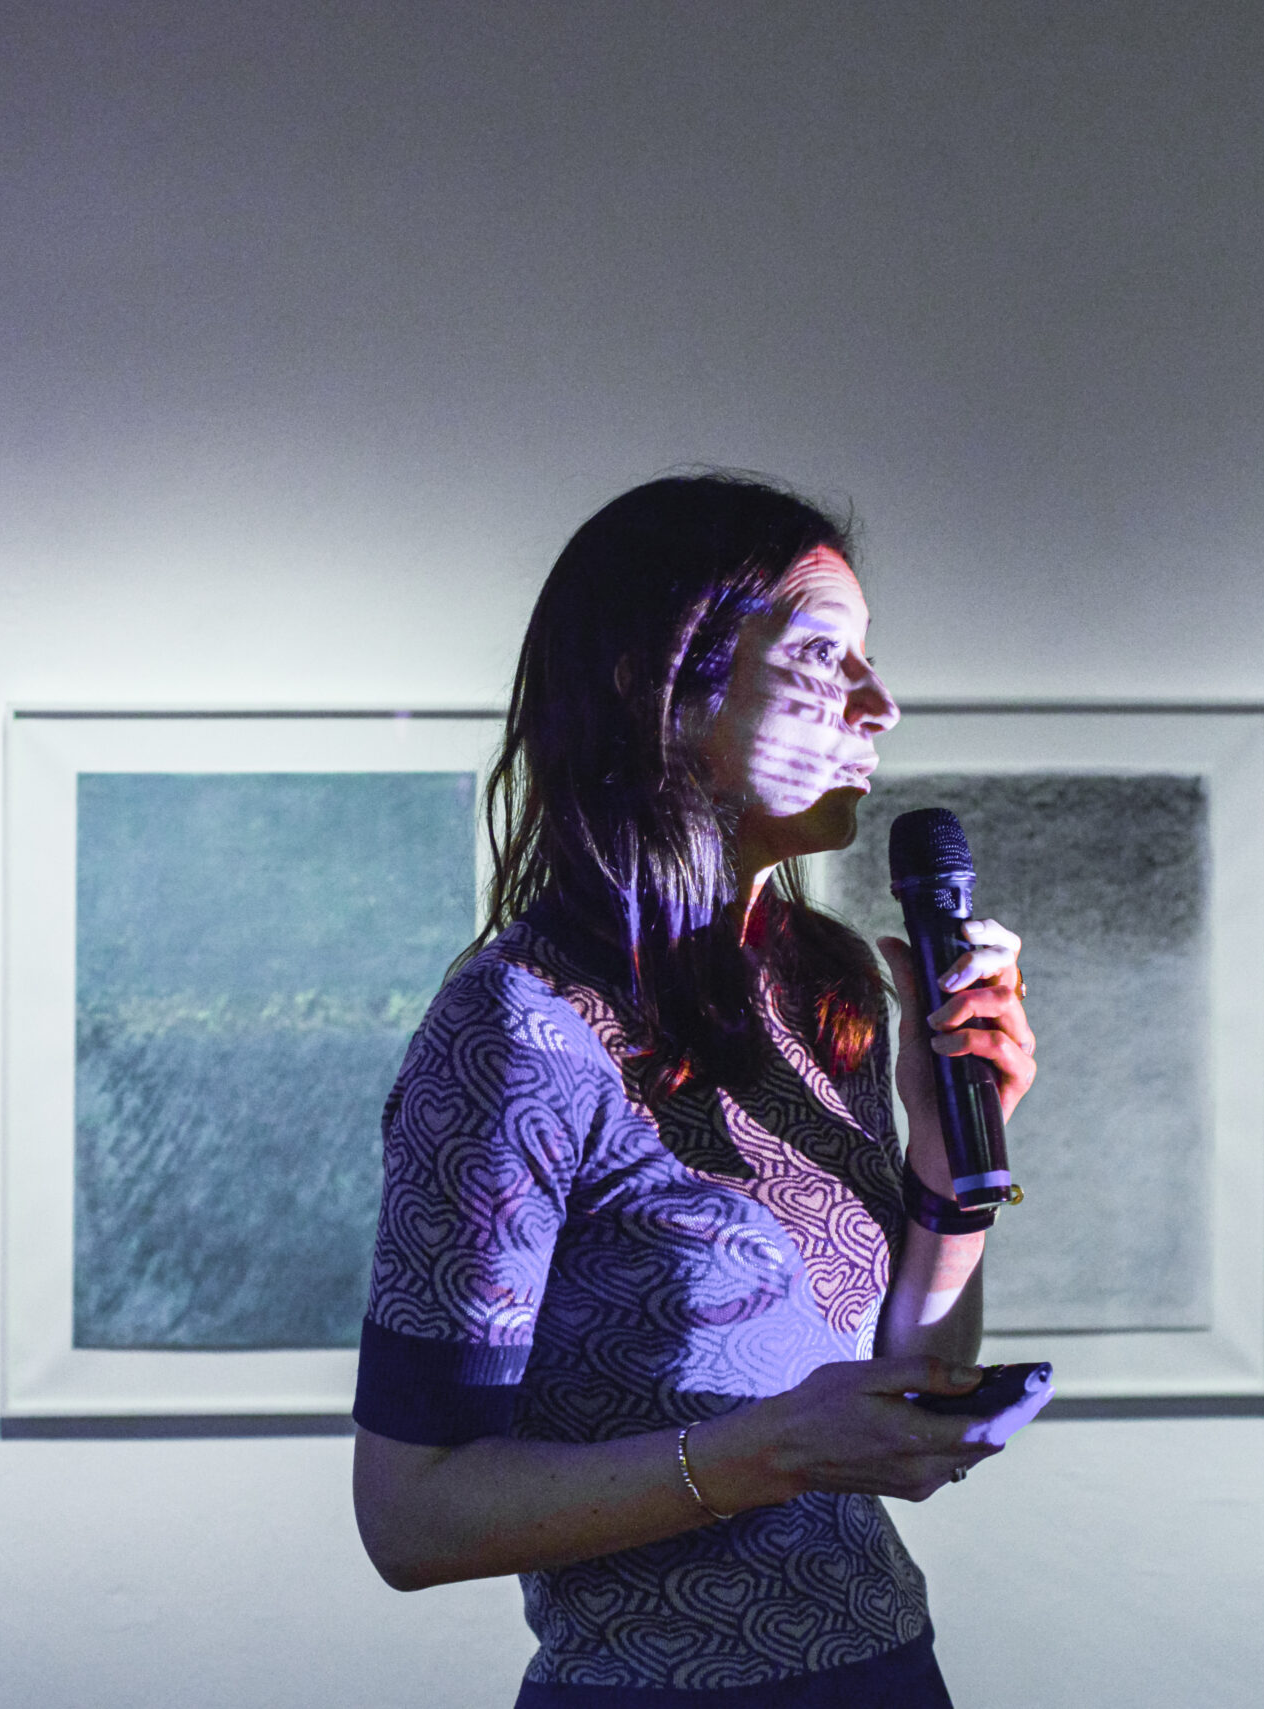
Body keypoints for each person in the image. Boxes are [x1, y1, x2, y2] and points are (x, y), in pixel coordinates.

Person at [351, 473, 1044, 1705]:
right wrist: (770, 1448)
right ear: (661, 690)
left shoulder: (820, 987)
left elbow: (909, 1386)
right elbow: (410, 1516)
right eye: (826, 655)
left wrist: (948, 1172)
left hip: (887, 1669)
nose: (881, 706)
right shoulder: (517, 1029)